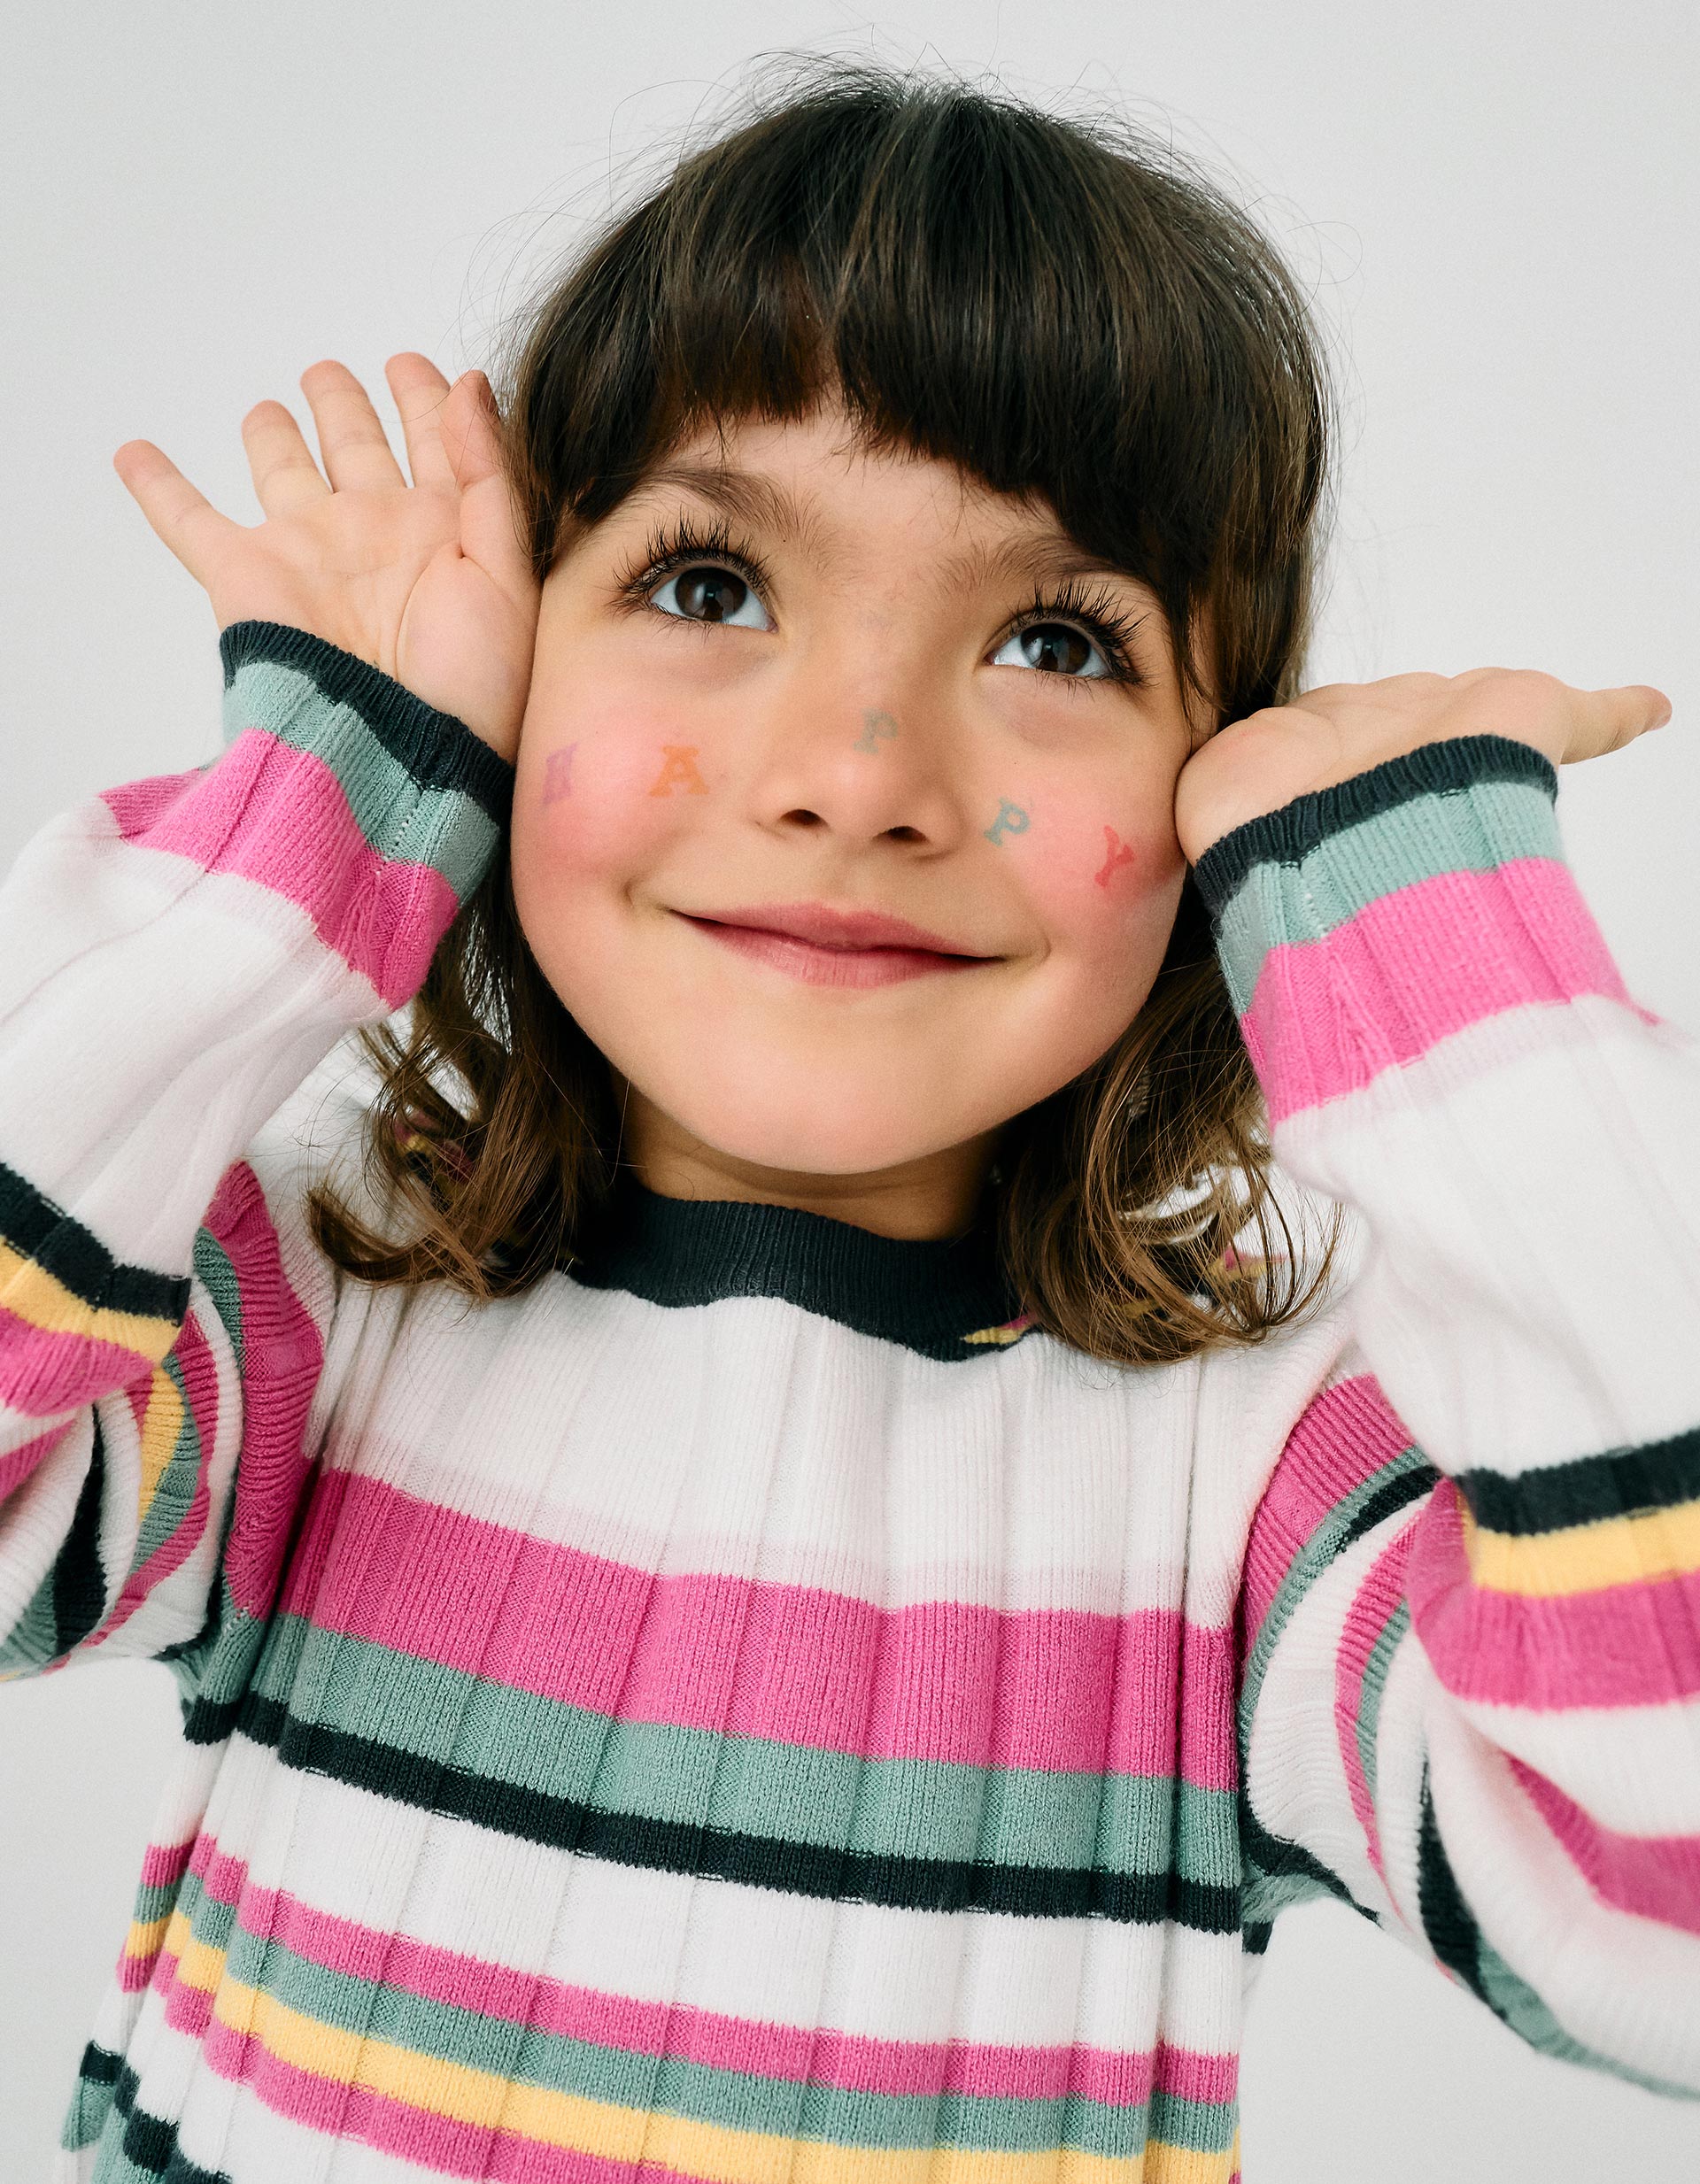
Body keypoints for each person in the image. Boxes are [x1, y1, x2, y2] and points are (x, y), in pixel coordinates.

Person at [2, 56, 1695, 2184]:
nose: (858, 770)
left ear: (1219, 800)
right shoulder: (315, 1320)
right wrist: (303, 830)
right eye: (711, 589)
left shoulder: (1261, 1500)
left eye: (1061, 636)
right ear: (511, 683)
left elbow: (1669, 1903)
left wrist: (1445, 982)